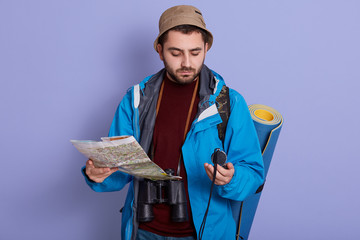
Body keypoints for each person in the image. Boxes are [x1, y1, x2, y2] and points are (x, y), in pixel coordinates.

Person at [82, 5, 264, 240]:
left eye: (195, 52)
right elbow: (119, 169)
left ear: (207, 48)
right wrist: (98, 173)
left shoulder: (229, 102)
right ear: (160, 51)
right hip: (144, 230)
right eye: (176, 53)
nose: (187, 62)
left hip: (206, 233)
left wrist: (232, 178)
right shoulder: (136, 100)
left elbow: (253, 174)